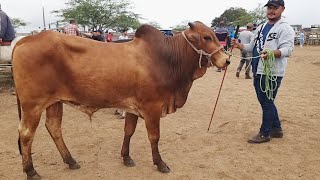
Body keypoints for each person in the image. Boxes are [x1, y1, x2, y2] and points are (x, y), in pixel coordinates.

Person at [231, 0, 295, 143]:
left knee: (266, 102)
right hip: (257, 69)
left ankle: (265, 133)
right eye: (269, 8)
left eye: (275, 8)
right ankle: (276, 129)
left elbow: (289, 49)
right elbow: (250, 47)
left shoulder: (286, 29)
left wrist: (272, 53)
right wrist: (239, 45)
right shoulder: (260, 27)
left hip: (272, 72)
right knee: (266, 101)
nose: (271, 11)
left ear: (282, 9)